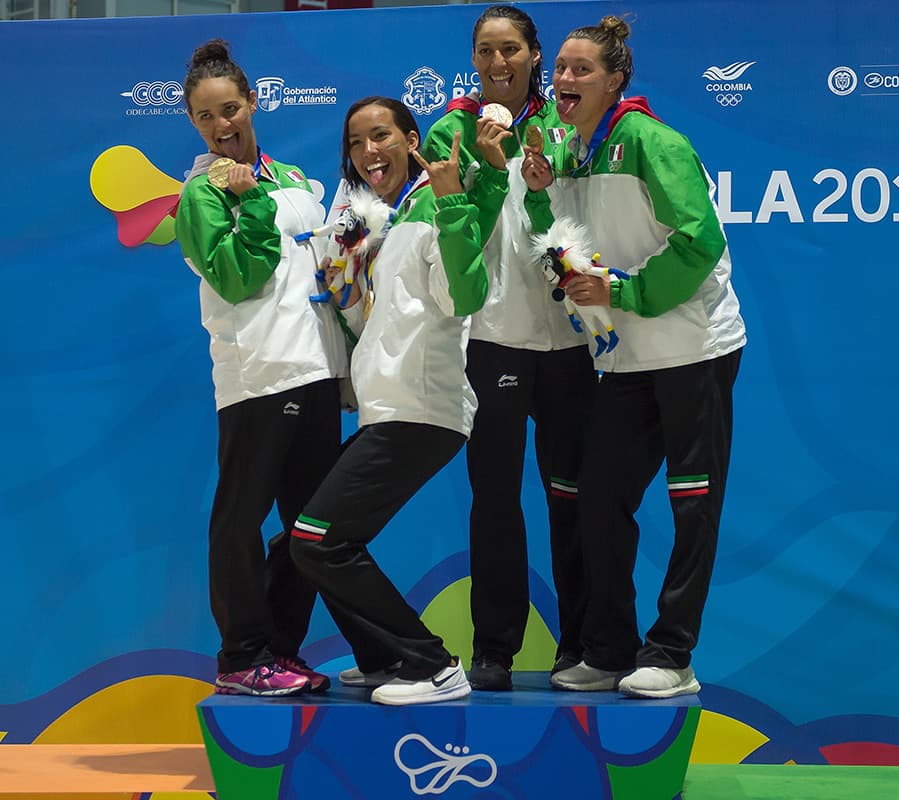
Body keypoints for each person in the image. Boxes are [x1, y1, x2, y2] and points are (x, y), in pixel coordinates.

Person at [521, 16, 746, 698]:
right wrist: (535, 193)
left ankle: (672, 655)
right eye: (559, 67)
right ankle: (611, 650)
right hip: (623, 358)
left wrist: (623, 289)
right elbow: (560, 243)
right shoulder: (571, 151)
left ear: (615, 80)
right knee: (598, 501)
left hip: (691, 350)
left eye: (580, 69)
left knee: (691, 505)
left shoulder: (652, 141)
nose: (564, 79)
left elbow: (699, 240)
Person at [288, 97, 509, 706]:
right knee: (305, 541)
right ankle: (384, 656)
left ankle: (433, 666)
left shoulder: (440, 204)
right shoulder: (392, 218)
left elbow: (465, 296)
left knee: (318, 540)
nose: (368, 153)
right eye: (356, 144)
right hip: (388, 405)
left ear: (412, 140)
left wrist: (453, 200)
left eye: (380, 136)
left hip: (423, 407)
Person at [422, 3, 596, 692]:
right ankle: (494, 647)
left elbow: (583, 216)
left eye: (512, 51)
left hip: (570, 343)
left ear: (533, 56)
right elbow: (450, 228)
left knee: (573, 497)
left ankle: (581, 644)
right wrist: (486, 166)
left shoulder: (568, 123)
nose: (499, 64)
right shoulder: (450, 130)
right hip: (491, 339)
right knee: (493, 499)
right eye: (487, 51)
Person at [175, 39, 347, 697]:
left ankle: (279, 647)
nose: (222, 126)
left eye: (230, 109)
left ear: (253, 102)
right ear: (195, 123)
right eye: (206, 117)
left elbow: (332, 275)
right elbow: (238, 278)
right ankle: (242, 655)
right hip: (257, 378)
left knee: (312, 528)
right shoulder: (201, 193)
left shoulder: (299, 182)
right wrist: (244, 204)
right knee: (240, 518)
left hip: (316, 371)